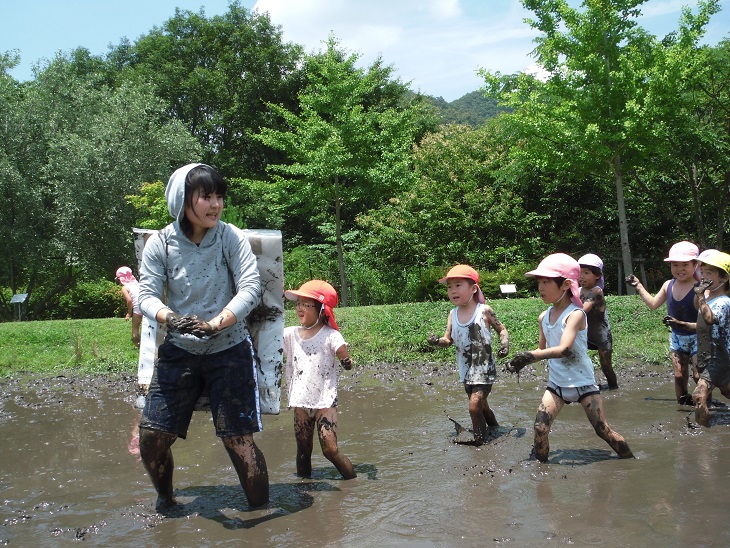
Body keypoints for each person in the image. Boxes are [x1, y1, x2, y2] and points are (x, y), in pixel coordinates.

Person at [137, 163, 269, 511]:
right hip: (179, 350)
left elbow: (251, 287)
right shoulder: (160, 244)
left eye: (219, 197)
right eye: (206, 197)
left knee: (238, 442)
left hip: (229, 348)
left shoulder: (230, 237)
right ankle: (166, 501)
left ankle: (262, 517)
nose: (215, 205)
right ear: (183, 200)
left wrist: (216, 323)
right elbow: (146, 296)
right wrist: (173, 319)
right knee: (152, 440)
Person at [505, 253, 634, 463]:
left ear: (565, 284)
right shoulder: (543, 317)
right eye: (539, 282)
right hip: (557, 384)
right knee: (540, 428)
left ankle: (630, 461)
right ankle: (541, 470)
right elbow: (542, 350)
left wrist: (530, 357)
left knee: (602, 431)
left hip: (583, 384)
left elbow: (564, 349)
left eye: (546, 282)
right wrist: (521, 359)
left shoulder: (576, 314)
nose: (540, 288)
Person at [427, 264, 510, 445]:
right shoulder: (453, 314)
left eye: (458, 285)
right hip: (466, 368)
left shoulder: (484, 311)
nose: (453, 291)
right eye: (449, 287)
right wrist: (436, 341)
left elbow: (501, 329)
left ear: (473, 289)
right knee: (482, 406)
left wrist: (505, 344)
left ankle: (479, 440)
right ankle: (496, 429)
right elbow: (448, 340)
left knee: (474, 407)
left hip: (484, 367)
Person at [283, 280, 357, 480]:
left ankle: (352, 483)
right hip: (300, 400)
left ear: (321, 309)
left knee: (330, 450)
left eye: (306, 304)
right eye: (298, 303)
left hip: (324, 400)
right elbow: (269, 344)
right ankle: (304, 488)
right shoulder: (290, 334)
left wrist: (347, 362)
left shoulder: (331, 335)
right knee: (303, 449)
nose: (299, 308)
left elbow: (343, 354)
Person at [625, 241, 700, 405]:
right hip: (677, 337)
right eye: (675, 265)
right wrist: (638, 286)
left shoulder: (700, 288)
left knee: (698, 375)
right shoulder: (668, 285)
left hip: (698, 337)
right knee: (679, 375)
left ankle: (703, 403)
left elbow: (707, 318)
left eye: (685, 265)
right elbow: (653, 304)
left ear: (695, 265)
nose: (680, 269)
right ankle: (682, 406)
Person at [689, 251, 730, 426]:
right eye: (703, 272)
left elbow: (710, 319)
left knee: (699, 395)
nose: (704, 277)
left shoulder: (723, 302)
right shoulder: (708, 299)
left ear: (724, 278)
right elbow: (701, 325)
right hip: (709, 355)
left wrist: (700, 295)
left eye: (710, 273)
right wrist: (679, 323)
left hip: (720, 357)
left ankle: (701, 435)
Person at [577, 254, 618, 390]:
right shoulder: (577, 291)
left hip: (601, 335)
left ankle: (613, 387)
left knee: (606, 366)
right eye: (580, 272)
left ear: (597, 276)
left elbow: (583, 310)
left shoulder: (596, 291)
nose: (581, 276)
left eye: (586, 273)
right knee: (578, 359)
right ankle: (583, 385)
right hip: (586, 334)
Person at [116, 266, 142, 347]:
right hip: (146, 307)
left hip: (138, 309)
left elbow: (129, 301)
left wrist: (129, 313)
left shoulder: (125, 288)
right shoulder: (139, 284)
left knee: (135, 328)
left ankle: (137, 345)